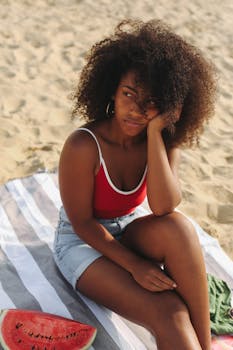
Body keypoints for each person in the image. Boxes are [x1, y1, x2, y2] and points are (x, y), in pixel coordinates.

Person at [53, 19, 216, 349]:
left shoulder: (162, 142)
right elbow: (82, 223)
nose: (137, 110)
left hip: (126, 230)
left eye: (151, 101)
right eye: (129, 94)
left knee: (180, 228)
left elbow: (163, 206)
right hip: (81, 242)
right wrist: (136, 267)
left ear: (168, 105)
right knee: (169, 311)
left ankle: (205, 342)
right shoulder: (83, 145)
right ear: (111, 90)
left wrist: (156, 134)